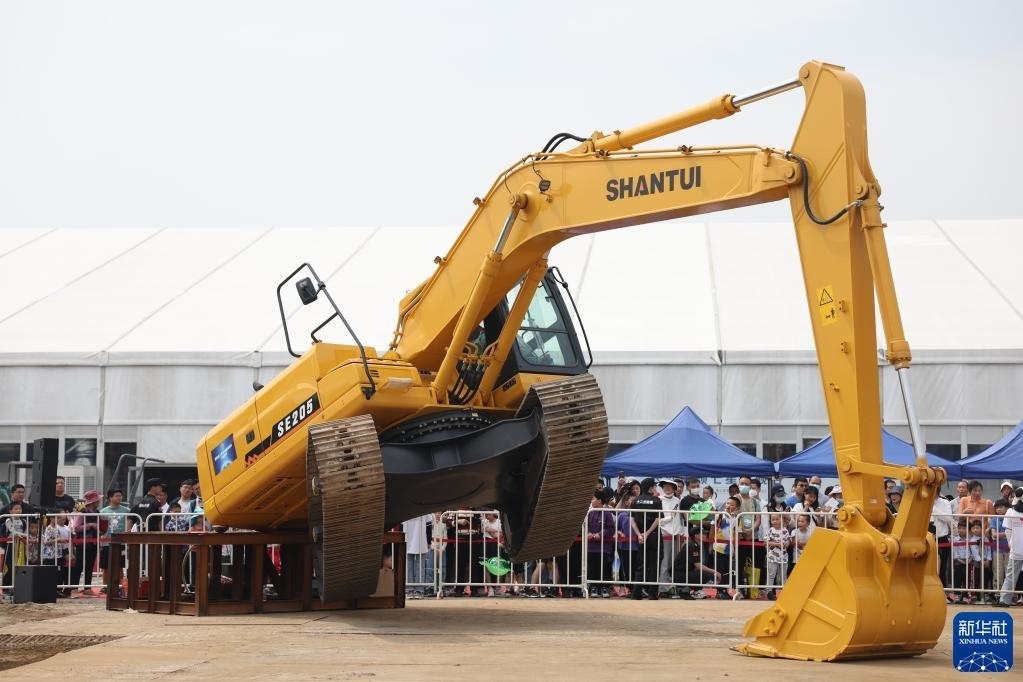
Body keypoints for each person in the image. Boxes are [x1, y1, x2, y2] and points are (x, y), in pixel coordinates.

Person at [69, 489, 108, 596]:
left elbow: (100, 527)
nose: (99, 502)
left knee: (90, 566)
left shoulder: (97, 512)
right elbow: (76, 527)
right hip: (82, 543)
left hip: (94, 542)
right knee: (79, 566)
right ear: (93, 501)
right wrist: (89, 525)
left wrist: (100, 529)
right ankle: (73, 589)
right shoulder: (82, 512)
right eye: (97, 500)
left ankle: (87, 588)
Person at [629, 478, 661, 600]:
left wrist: (639, 534)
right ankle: (652, 594)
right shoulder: (656, 500)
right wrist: (647, 533)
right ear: (650, 487)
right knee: (654, 565)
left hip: (641, 537)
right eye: (654, 486)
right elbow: (657, 519)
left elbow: (632, 520)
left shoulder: (635, 500)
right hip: (653, 536)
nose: (655, 489)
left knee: (640, 565)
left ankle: (636, 593)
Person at [998, 486, 1023, 607]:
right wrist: (1011, 544)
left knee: (1010, 575)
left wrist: (1011, 544)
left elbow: (1008, 531)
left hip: (1016, 547)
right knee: (1010, 575)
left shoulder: (1011, 511)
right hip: (1016, 548)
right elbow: (1008, 531)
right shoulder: (1010, 511)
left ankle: (1004, 600)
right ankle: (1004, 599)